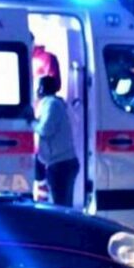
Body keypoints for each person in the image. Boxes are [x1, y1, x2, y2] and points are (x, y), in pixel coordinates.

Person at [27, 76, 79, 207]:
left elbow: (46, 129)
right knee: (63, 204)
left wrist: (31, 122)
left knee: (61, 206)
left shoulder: (51, 104)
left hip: (61, 164)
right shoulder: (53, 103)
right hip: (61, 163)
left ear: (41, 88)